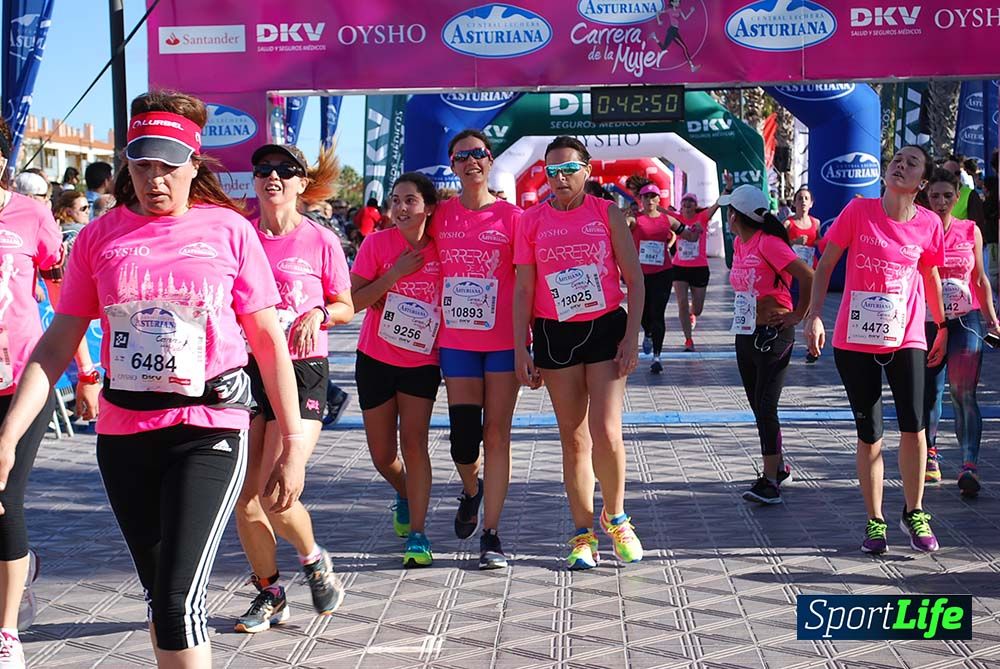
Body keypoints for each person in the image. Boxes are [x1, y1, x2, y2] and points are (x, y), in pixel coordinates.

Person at [0, 91, 308, 667]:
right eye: (142, 163)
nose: (155, 177)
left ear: (196, 164)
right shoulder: (98, 236)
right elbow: (56, 343)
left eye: (169, 163)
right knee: (161, 595)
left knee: (176, 601)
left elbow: (267, 342)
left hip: (208, 430)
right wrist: (8, 436)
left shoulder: (228, 231)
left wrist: (292, 443)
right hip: (124, 436)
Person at [233, 143, 353, 634]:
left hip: (304, 370)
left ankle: (313, 559)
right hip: (248, 369)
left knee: (280, 489)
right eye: (264, 170)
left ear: (302, 184)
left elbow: (345, 303)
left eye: (285, 171)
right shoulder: (240, 236)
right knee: (246, 497)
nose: (273, 177)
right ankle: (270, 592)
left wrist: (319, 313)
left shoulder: (320, 240)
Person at [805, 145, 947, 555]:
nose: (900, 164)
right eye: (897, 158)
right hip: (855, 338)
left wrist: (940, 327)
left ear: (921, 183)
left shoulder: (928, 224)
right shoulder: (858, 212)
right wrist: (815, 315)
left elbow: (930, 275)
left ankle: (915, 510)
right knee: (870, 434)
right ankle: (875, 520)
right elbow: (826, 263)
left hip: (907, 336)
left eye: (912, 162)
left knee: (914, 426)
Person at [513, 136, 645, 570]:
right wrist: (521, 346)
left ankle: (618, 517)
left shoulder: (606, 212)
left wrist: (631, 336)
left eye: (569, 169)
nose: (561, 178)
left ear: (587, 171)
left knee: (606, 430)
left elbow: (635, 279)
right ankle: (582, 533)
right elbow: (525, 288)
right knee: (573, 438)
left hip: (604, 327)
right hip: (555, 334)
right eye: (552, 171)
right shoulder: (531, 221)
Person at [0, 118, 95, 664]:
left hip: (23, 381)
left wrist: (86, 372)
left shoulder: (31, 215)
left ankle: (7, 629)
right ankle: (21, 565)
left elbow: (68, 301)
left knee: (5, 496)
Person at [433, 129, 522, 569]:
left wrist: (532, 345)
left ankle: (491, 533)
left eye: (480, 154)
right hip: (457, 343)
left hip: (504, 342)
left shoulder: (512, 217)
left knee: (497, 435)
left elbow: (529, 281)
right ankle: (471, 489)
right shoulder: (438, 216)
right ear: (452, 165)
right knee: (464, 441)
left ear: (490, 162)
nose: (472, 161)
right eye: (463, 156)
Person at [351, 172, 442, 568]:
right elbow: (352, 301)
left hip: (422, 361)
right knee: (383, 454)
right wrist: (392, 276)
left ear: (428, 208)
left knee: (415, 444)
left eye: (410, 200)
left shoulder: (444, 249)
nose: (401, 208)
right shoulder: (376, 244)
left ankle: (419, 533)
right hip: (375, 358)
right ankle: (405, 492)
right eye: (396, 200)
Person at [724, 185, 814, 504]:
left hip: (774, 334)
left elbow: (809, 276)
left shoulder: (770, 244)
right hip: (746, 330)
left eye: (729, 211)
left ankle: (770, 480)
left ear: (737, 215)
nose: (727, 216)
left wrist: (797, 316)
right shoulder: (739, 243)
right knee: (757, 405)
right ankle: (779, 466)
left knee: (766, 405)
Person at [921, 168, 1000, 495]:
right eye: (935, 196)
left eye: (947, 196)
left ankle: (970, 465)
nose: (941, 202)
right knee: (931, 393)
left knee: (964, 393)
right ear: (926, 197)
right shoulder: (919, 229)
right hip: (927, 322)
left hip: (966, 321)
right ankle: (930, 456)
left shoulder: (970, 230)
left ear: (958, 198)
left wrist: (993, 319)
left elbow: (980, 279)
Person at [631, 183, 695, 373]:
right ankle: (648, 333)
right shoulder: (635, 219)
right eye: (645, 197)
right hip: (640, 275)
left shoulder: (667, 219)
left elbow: (689, 236)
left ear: (658, 200)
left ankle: (657, 357)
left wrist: (696, 232)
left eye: (653, 196)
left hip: (663, 273)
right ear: (640, 200)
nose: (649, 200)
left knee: (658, 313)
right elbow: (622, 226)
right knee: (643, 315)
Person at [672, 173, 731, 352]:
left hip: (699, 269)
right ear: (681, 206)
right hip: (679, 268)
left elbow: (718, 204)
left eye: (691, 202)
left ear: (695, 206)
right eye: (684, 203)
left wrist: (727, 187)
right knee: (681, 302)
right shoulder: (676, 219)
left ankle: (693, 315)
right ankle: (688, 340)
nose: (687, 205)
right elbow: (656, 210)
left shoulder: (703, 217)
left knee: (697, 309)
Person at [783, 187, 822, 362]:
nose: (803, 201)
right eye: (800, 198)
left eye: (806, 198)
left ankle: (811, 348)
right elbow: (778, 244)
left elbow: (820, 241)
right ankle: (785, 345)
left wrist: (825, 242)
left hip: (810, 273)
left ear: (811, 203)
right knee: (790, 309)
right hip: (792, 275)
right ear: (794, 203)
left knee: (809, 311)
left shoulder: (816, 222)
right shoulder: (788, 223)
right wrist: (793, 242)